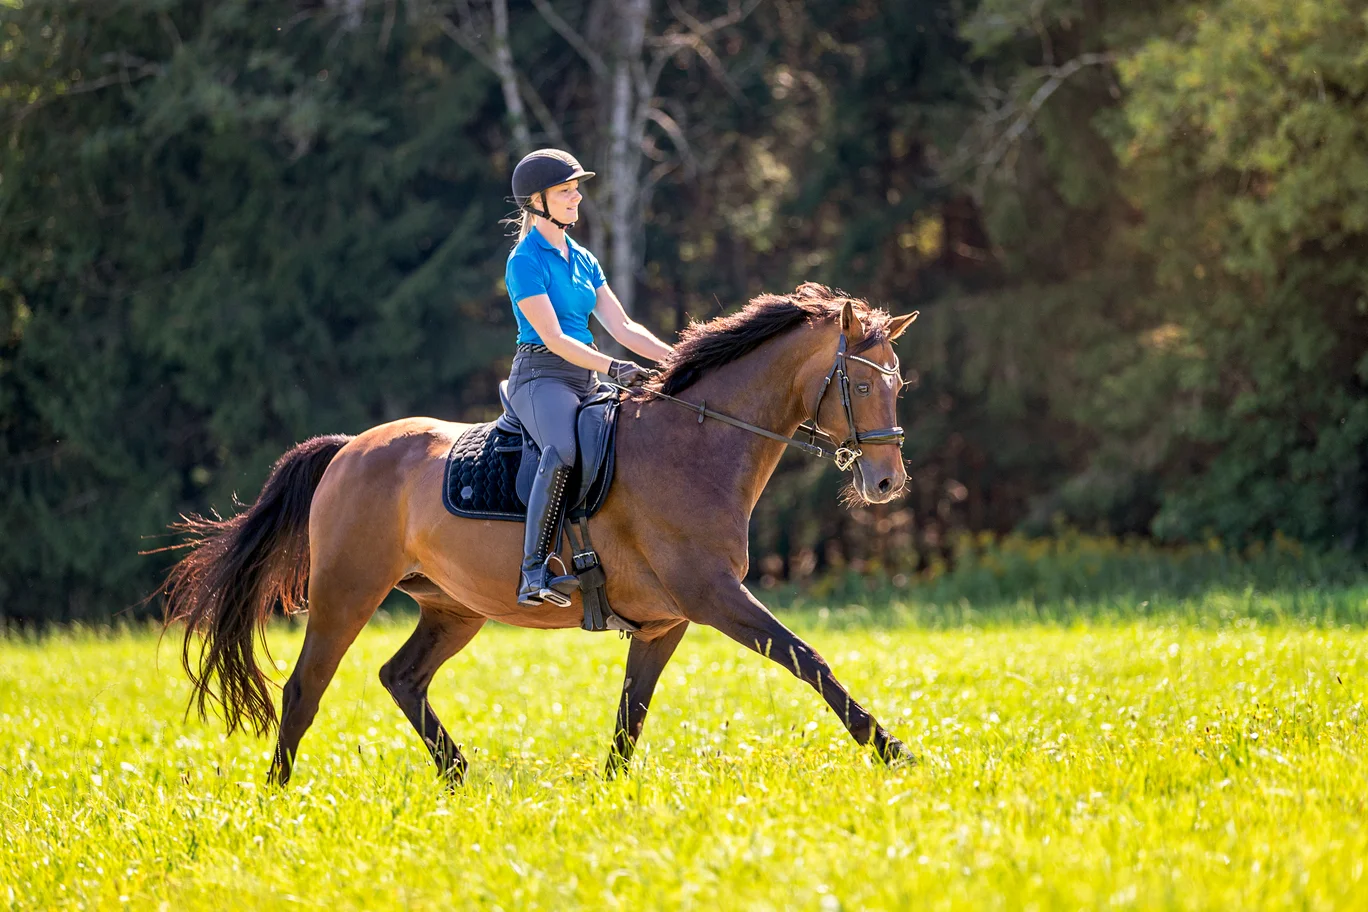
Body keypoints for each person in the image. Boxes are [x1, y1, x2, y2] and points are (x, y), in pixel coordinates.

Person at [503, 149, 674, 608]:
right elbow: (554, 337)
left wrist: (680, 359)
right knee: (562, 451)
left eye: (577, 188)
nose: (577, 196)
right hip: (542, 376)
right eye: (566, 190)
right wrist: (614, 368)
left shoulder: (583, 258)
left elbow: (623, 328)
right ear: (537, 201)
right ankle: (533, 572)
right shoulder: (524, 261)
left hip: (587, 378)